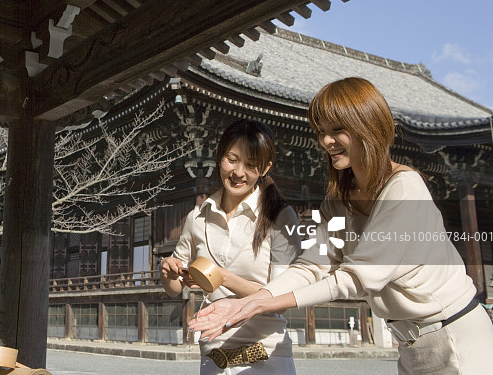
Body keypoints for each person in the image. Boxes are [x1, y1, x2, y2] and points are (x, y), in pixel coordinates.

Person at [189, 77, 493, 374]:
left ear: (368, 126)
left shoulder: (404, 188)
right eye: (321, 131)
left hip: (456, 336)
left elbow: (355, 278)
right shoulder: (338, 201)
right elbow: (311, 266)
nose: (326, 141)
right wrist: (252, 300)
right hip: (411, 344)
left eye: (337, 130)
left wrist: (259, 306)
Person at [161, 119, 301, 374]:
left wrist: (223, 277)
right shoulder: (197, 218)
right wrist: (169, 273)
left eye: (250, 165)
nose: (238, 173)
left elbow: (282, 299)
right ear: (219, 156)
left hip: (265, 355)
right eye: (232, 159)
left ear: (265, 167)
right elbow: (173, 289)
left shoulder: (280, 216)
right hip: (213, 355)